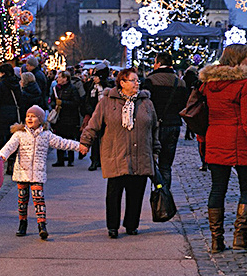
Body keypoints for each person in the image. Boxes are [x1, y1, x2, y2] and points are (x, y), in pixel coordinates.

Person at [198, 44, 247, 253]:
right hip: (240, 142)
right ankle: (240, 236)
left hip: (216, 139)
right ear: (238, 60)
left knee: (218, 188)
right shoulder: (244, 84)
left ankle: (216, 239)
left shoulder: (209, 84)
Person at [79, 68, 160, 238]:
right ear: (122, 83)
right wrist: (85, 142)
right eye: (133, 80)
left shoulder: (146, 103)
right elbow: (94, 124)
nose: (137, 83)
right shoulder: (107, 102)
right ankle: (113, 226)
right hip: (116, 154)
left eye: (138, 80)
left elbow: (154, 129)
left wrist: (156, 151)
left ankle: (132, 224)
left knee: (136, 193)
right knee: (114, 193)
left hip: (141, 154)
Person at [0, 105, 81, 240]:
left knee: (39, 199)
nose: (30, 118)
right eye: (28, 116)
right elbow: (9, 147)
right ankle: (22, 223)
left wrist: (79, 146)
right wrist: (2, 156)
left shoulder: (46, 135)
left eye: (34, 116)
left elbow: (63, 143)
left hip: (37, 173)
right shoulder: (19, 134)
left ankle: (42, 226)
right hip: (22, 173)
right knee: (22, 200)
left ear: (41, 120)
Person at [142, 52, 188, 190]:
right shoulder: (179, 82)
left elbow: (145, 104)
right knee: (166, 165)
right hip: (173, 124)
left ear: (158, 63)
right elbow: (183, 104)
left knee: (151, 162)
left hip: (155, 126)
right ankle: (165, 197)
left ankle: (157, 190)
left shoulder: (150, 80)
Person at [0, 63, 23, 158]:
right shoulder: (16, 83)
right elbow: (20, 99)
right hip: (13, 112)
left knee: (0, 138)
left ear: (2, 73)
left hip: (0, 114)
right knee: (11, 138)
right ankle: (11, 161)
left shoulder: (1, 84)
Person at [50, 70, 82, 167]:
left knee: (69, 138)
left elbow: (76, 103)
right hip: (59, 117)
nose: (58, 79)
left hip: (70, 117)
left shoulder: (72, 89)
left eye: (60, 77)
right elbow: (52, 100)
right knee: (59, 138)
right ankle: (60, 159)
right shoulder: (56, 89)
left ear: (65, 79)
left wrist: (63, 103)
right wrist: (54, 105)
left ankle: (70, 159)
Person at [82, 65, 110, 171]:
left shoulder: (108, 87)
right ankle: (94, 160)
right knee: (94, 139)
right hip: (95, 116)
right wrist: (92, 112)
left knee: (105, 139)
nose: (94, 78)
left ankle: (103, 160)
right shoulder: (91, 87)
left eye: (96, 76)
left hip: (107, 117)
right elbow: (87, 101)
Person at [183, 66, 199, 141]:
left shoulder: (184, 78)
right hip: (192, 99)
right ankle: (190, 132)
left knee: (188, 115)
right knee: (191, 115)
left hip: (185, 98)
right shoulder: (195, 79)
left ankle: (189, 133)